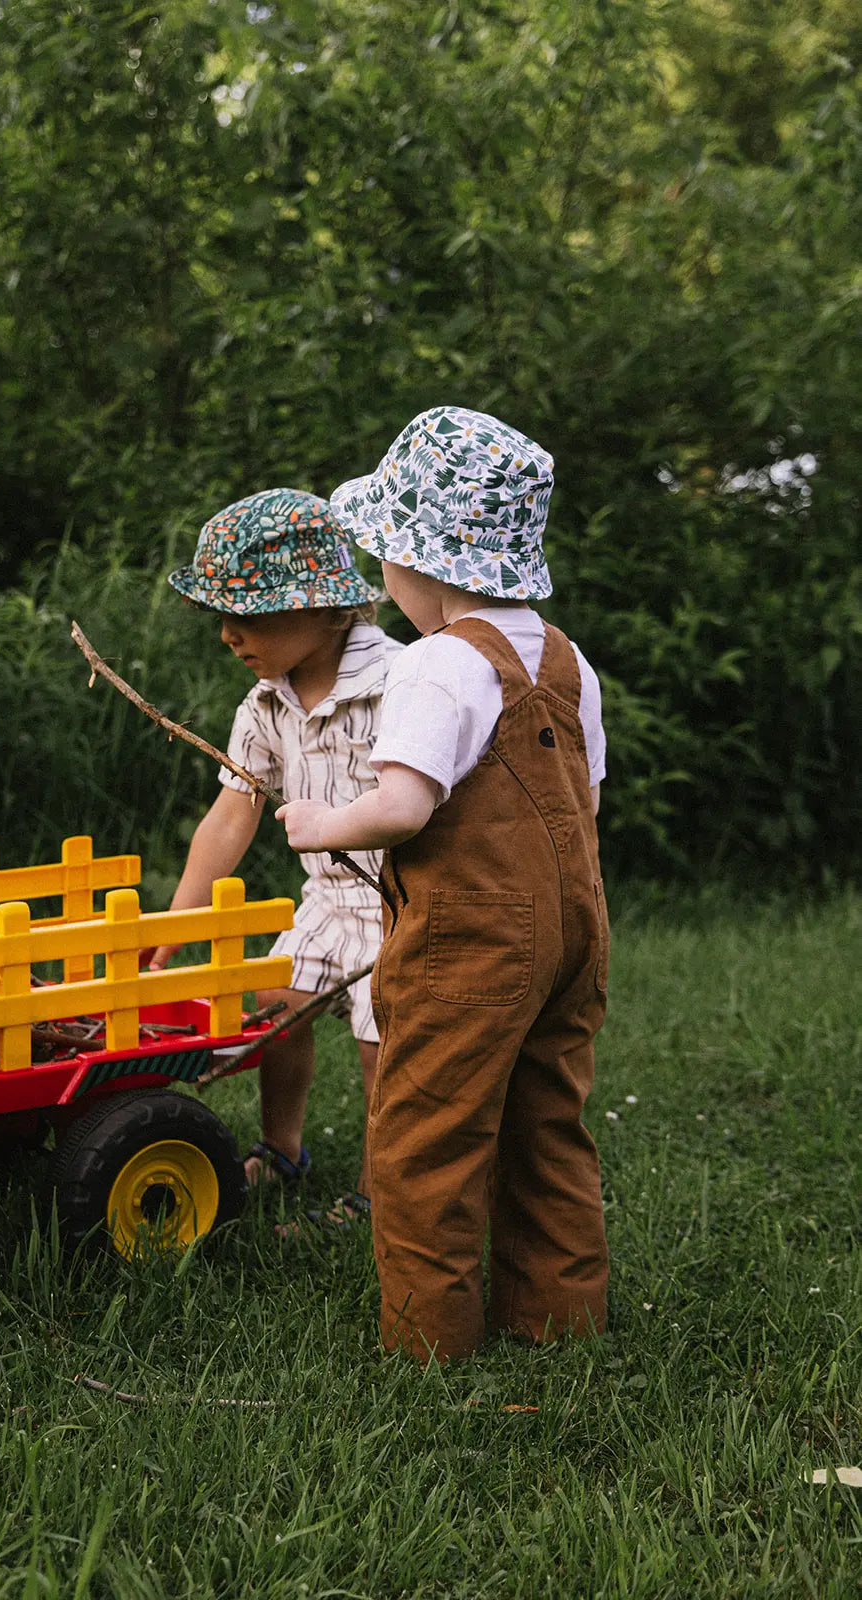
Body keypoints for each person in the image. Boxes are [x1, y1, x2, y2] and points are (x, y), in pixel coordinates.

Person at [275, 406, 610, 1361]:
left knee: (427, 1132)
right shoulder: (567, 660)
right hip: (573, 927)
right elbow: (585, 793)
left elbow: (403, 807)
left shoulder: (435, 665)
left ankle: (431, 1345)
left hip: (471, 938)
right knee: (549, 1123)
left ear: (419, 565)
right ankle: (558, 1319)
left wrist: (319, 824)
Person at [143, 486, 401, 1220]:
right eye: (220, 617)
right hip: (327, 897)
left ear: (323, 608)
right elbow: (233, 811)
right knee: (275, 1007)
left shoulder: (399, 685)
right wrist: (176, 922)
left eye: (247, 616)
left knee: (380, 1041)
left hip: (401, 900)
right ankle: (283, 1148)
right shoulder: (264, 703)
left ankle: (384, 1193)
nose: (229, 634)